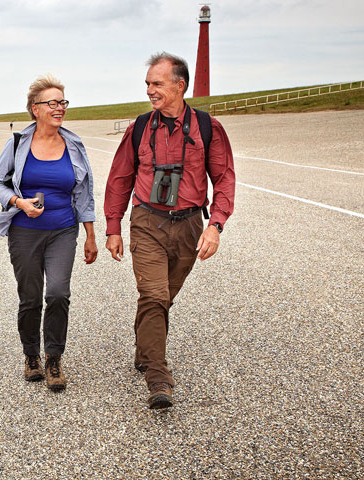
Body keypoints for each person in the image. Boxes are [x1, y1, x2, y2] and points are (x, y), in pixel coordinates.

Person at [103, 52, 235, 409]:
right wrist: (113, 227)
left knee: (164, 298)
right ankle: (158, 379)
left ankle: (145, 347)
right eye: (147, 83)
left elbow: (224, 178)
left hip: (190, 225)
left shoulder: (207, 127)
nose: (149, 90)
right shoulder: (139, 128)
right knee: (154, 296)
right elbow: (119, 178)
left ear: (180, 85)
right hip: (148, 221)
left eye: (157, 83)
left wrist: (215, 225)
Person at [0, 74, 98, 392]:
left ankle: (53, 358)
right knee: (31, 297)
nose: (59, 107)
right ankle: (30, 355)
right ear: (35, 109)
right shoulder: (17, 143)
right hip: (24, 232)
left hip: (63, 230)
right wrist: (18, 202)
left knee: (58, 294)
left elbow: (85, 193)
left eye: (63, 102)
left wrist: (90, 235)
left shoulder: (74, 145)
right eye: (52, 103)